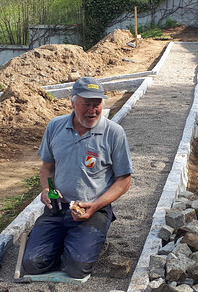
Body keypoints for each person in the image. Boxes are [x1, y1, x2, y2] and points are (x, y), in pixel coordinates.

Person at [23, 76, 133, 278]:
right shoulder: (55, 126)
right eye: (86, 104)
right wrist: (46, 189)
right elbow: (47, 167)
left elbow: (124, 180)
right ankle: (68, 241)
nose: (92, 111)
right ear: (73, 103)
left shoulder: (114, 133)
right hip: (57, 208)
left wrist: (96, 206)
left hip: (93, 208)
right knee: (32, 264)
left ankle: (85, 243)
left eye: (97, 104)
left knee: (77, 268)